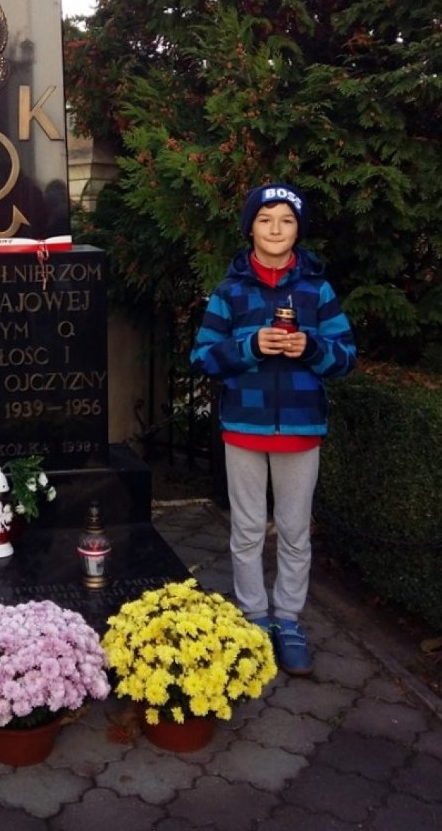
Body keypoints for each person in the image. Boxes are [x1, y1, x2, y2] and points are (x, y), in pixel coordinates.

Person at [191, 183, 356, 675]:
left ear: (297, 229)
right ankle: (253, 615)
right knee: (245, 530)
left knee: (294, 531)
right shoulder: (230, 291)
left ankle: (287, 618)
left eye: (286, 220)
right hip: (244, 425)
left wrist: (308, 347)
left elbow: (345, 357)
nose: (276, 229)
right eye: (266, 220)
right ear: (250, 228)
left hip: (302, 428)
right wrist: (249, 346)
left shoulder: (316, 290)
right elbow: (202, 356)